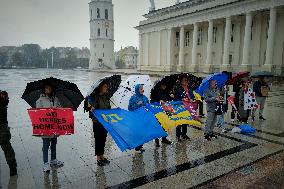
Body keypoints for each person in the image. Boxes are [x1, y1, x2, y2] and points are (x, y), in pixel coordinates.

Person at [36, 84, 64, 172]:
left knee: (54, 144)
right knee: (45, 145)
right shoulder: (40, 100)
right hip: (45, 127)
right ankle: (45, 163)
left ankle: (53, 160)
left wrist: (57, 108)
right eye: (46, 88)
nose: (48, 89)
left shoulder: (56, 99)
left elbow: (61, 109)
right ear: (44, 89)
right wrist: (49, 110)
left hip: (55, 126)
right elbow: (38, 113)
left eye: (50, 88)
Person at [85, 81, 111, 166]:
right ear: (100, 87)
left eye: (107, 86)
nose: (106, 88)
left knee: (103, 139)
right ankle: (98, 158)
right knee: (98, 139)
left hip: (105, 122)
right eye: (105, 86)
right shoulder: (94, 97)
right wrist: (90, 108)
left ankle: (102, 156)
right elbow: (87, 106)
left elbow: (108, 108)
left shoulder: (106, 97)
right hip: (97, 122)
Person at [0, 90, 17, 176]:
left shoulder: (2, 96)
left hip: (2, 126)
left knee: (6, 147)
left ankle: (13, 167)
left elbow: (5, 102)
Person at [128, 84, 149, 152]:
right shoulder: (133, 98)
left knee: (142, 132)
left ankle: (141, 146)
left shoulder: (145, 97)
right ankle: (137, 147)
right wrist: (137, 104)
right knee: (137, 132)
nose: (142, 90)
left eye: (142, 88)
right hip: (136, 118)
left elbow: (148, 105)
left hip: (143, 117)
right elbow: (130, 108)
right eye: (140, 89)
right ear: (137, 90)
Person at [174, 75, 194, 142]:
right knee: (180, 121)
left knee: (185, 120)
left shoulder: (189, 88)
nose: (186, 81)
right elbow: (175, 98)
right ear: (181, 81)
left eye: (186, 80)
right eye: (184, 80)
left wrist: (192, 99)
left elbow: (192, 96)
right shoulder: (178, 88)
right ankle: (178, 136)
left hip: (187, 106)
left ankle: (184, 134)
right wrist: (182, 99)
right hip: (180, 106)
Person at [153, 83, 172, 147]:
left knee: (165, 124)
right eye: (163, 85)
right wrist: (159, 101)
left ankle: (164, 138)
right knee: (158, 125)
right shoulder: (155, 92)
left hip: (165, 110)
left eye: (165, 85)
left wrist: (172, 97)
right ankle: (156, 141)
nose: (165, 86)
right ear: (160, 85)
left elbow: (168, 99)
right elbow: (152, 100)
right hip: (158, 111)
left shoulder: (165, 91)